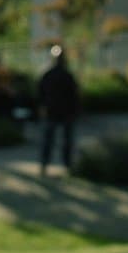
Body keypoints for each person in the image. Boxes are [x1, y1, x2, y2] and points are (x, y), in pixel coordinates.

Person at [37, 45, 81, 175]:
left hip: (56, 111)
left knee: (52, 140)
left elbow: (40, 94)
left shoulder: (49, 74)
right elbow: (75, 95)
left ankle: (49, 164)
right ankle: (63, 164)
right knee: (60, 140)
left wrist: (42, 107)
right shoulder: (64, 75)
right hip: (61, 112)